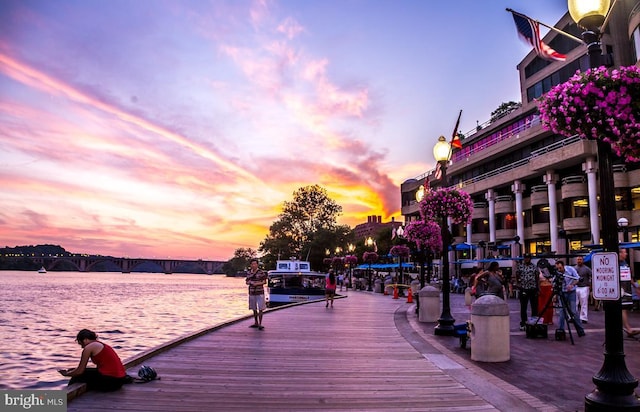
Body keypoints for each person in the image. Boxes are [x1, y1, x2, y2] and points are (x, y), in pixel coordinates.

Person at [58, 329, 128, 391]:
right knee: (74, 370)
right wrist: (72, 371)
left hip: (111, 382)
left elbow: (80, 371)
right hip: (119, 381)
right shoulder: (99, 344)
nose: (82, 347)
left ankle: (65, 395)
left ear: (85, 340)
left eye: (81, 344)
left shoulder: (89, 347)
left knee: (77, 376)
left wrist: (66, 374)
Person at [554, 260, 584, 336]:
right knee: (561, 312)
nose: (559, 270)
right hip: (562, 293)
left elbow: (577, 278)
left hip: (571, 292)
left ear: (563, 266)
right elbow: (554, 283)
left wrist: (572, 285)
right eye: (558, 268)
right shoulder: (557, 272)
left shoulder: (570, 269)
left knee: (573, 311)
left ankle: (580, 330)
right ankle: (561, 331)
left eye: (560, 268)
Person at [619, 248, 640, 336]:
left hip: (627, 289)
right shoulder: (616, 263)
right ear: (620, 253)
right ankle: (628, 329)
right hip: (621, 289)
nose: (626, 254)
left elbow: (629, 276)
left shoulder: (625, 263)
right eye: (624, 252)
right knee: (623, 309)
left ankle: (628, 328)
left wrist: (636, 286)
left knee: (625, 308)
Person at [516, 253, 539, 330]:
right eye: (525, 258)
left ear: (530, 258)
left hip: (533, 288)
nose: (526, 259)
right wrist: (518, 284)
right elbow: (517, 275)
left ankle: (534, 322)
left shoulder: (534, 267)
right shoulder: (520, 266)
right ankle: (523, 323)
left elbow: (537, 277)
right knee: (523, 307)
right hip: (523, 288)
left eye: (528, 258)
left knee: (534, 307)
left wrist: (538, 288)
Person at [246, 258, 267, 330]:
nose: (253, 265)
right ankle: (256, 322)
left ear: (257, 264)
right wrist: (251, 283)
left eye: (255, 264)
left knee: (261, 308)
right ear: (250, 265)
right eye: (252, 264)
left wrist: (257, 284)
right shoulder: (249, 273)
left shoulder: (261, 272)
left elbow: (264, 282)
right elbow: (247, 282)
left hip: (260, 292)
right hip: (252, 292)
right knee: (254, 308)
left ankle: (260, 324)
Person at [574, 256, 592, 324]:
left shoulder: (587, 269)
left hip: (584, 287)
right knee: (574, 303)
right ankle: (573, 317)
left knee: (584, 303)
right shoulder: (574, 268)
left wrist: (590, 285)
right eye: (578, 259)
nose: (579, 261)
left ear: (583, 260)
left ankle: (584, 318)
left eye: (580, 259)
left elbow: (591, 276)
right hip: (575, 286)